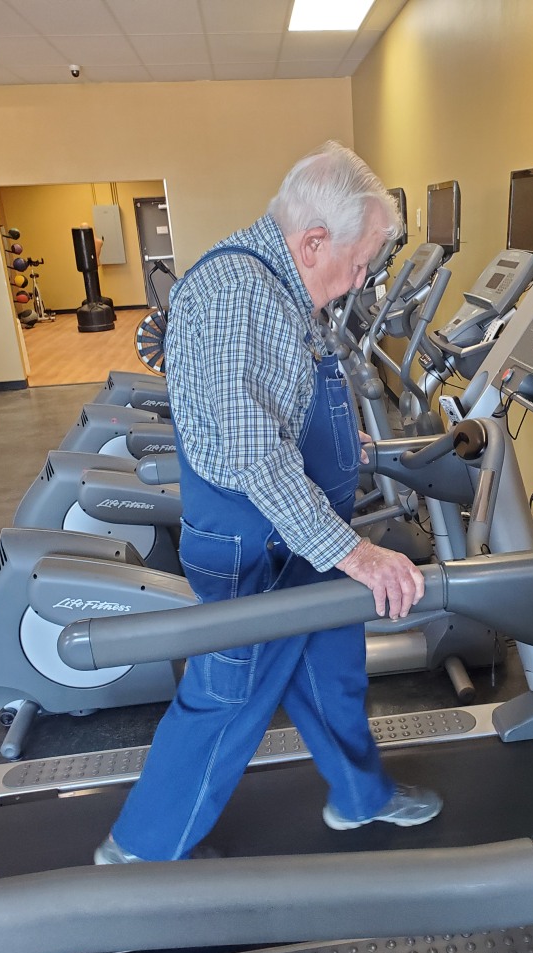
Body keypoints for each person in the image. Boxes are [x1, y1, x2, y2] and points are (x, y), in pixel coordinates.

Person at [95, 140, 442, 864]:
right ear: (315, 241)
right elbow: (254, 453)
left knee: (331, 671)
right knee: (229, 696)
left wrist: (359, 452)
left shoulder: (282, 283)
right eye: (356, 264)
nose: (356, 283)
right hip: (255, 539)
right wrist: (357, 550)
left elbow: (279, 409)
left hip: (300, 528)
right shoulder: (239, 292)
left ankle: (360, 795)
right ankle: (138, 852)